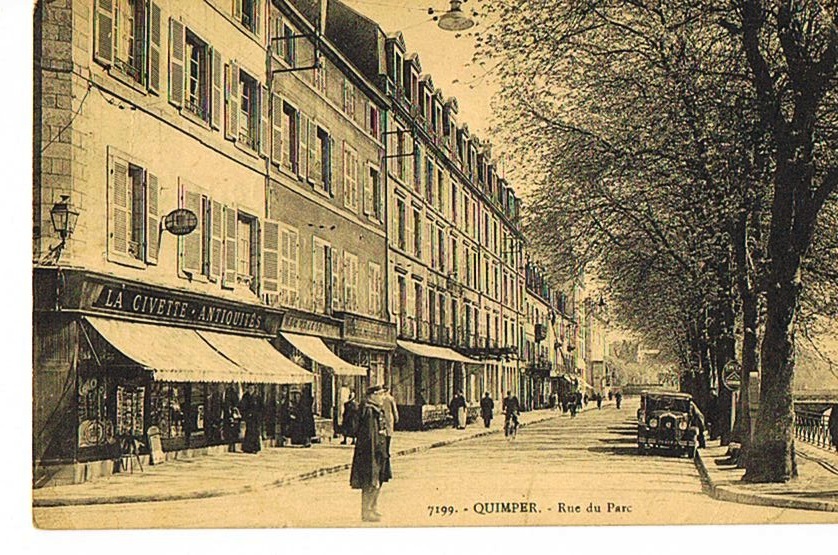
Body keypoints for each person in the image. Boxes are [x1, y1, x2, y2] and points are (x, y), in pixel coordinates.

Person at [350, 385, 392, 522]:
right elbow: (369, 436)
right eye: (380, 395)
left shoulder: (376, 410)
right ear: (372, 396)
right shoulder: (368, 411)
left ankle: (373, 508)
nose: (382, 397)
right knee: (370, 482)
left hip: (379, 451)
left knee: (378, 480)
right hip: (370, 452)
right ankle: (366, 511)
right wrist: (376, 452)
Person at [239, 384, 263, 454]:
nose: (251, 389)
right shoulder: (245, 396)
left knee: (255, 433)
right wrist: (246, 414)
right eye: (250, 388)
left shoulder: (257, 397)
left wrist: (259, 415)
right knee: (249, 432)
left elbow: (261, 407)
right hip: (249, 418)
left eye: (252, 388)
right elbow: (242, 407)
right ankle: (247, 448)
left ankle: (255, 448)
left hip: (256, 418)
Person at [380, 385, 399, 456]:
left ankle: (383, 450)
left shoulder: (381, 398)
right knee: (389, 434)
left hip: (382, 417)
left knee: (383, 433)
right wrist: (396, 417)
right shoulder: (390, 398)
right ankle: (387, 450)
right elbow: (394, 409)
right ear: (388, 390)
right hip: (389, 417)